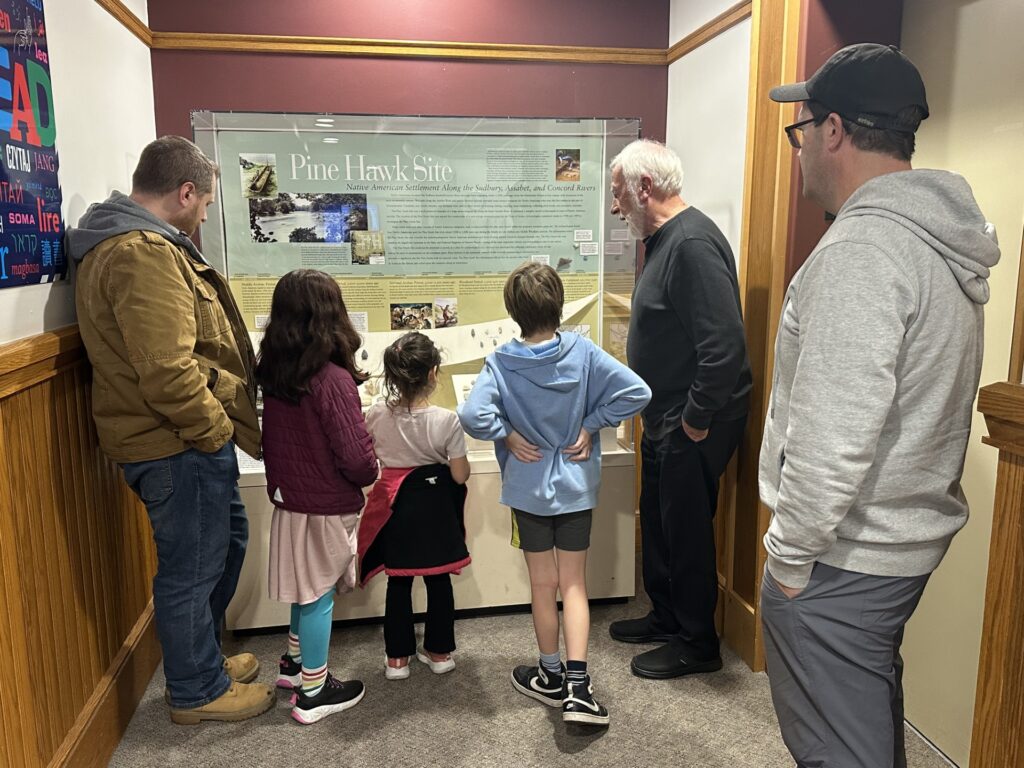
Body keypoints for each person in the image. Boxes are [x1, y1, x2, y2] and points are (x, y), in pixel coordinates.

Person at [759, 43, 1000, 768]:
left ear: (832, 130)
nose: (798, 148)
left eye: (800, 129)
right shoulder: (931, 239)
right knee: (863, 722)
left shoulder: (863, 252)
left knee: (840, 748)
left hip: (845, 556)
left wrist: (789, 561)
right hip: (893, 545)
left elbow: (833, 435)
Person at [67, 136, 273, 724]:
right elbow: (167, 370)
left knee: (221, 546)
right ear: (185, 193)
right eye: (205, 204)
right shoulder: (141, 252)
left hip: (173, 441)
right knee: (193, 566)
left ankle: (201, 660)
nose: (205, 216)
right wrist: (214, 433)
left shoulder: (133, 244)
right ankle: (196, 691)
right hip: (176, 443)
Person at [459, 262, 651, 726]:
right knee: (575, 585)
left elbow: (470, 416)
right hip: (575, 486)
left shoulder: (501, 361)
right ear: (559, 305)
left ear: (512, 311)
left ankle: (549, 676)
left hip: (528, 492)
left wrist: (505, 433)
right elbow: (637, 393)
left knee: (542, 587)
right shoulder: (583, 353)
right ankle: (579, 688)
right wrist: (591, 424)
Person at [607, 139, 752, 679]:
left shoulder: (690, 243)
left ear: (646, 187)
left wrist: (694, 418)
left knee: (686, 530)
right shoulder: (663, 240)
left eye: (619, 192)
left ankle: (698, 643)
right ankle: (667, 617)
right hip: (664, 412)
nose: (616, 206)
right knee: (661, 522)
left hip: (694, 420)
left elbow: (724, 346)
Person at [255, 269, 378, 725]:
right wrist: (371, 470)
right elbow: (356, 457)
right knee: (318, 594)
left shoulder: (276, 371)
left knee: (303, 586)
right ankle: (313, 689)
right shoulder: (332, 378)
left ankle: (291, 663)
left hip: (291, 499)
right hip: (326, 503)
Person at [360, 332, 472, 680]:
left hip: (395, 509)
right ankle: (439, 653)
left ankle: (397, 659)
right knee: (439, 582)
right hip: (436, 510)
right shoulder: (447, 419)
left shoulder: (376, 414)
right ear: (433, 373)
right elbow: (459, 475)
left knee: (399, 582)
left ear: (392, 376)